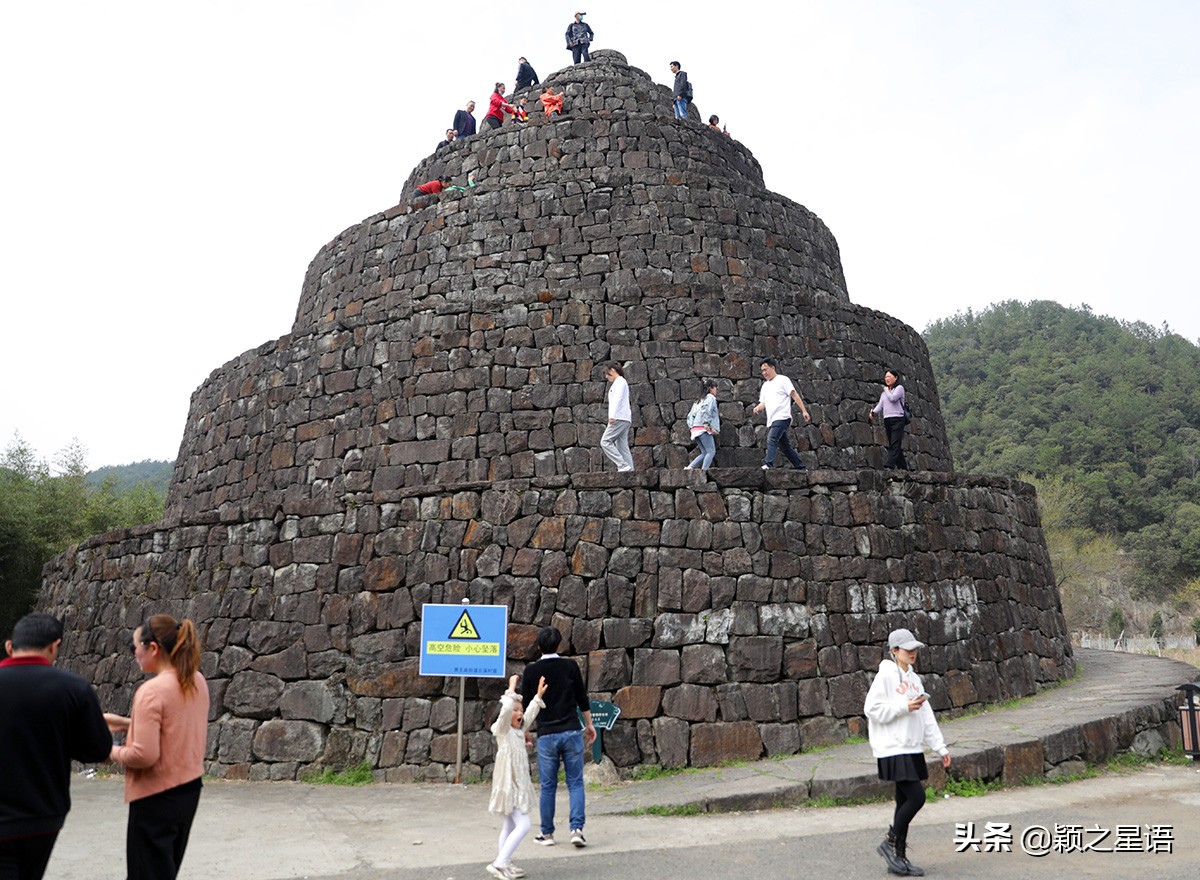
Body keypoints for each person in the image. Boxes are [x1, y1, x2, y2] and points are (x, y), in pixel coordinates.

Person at [0, 614, 111, 880]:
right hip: (43, 816)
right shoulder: (75, 689)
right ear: (55, 646)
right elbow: (98, 750)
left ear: (9, 647)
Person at [106, 614, 210, 880]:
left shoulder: (151, 691)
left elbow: (144, 755)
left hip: (155, 797)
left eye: (135, 647)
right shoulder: (196, 680)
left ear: (152, 648)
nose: (134, 653)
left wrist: (108, 751)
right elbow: (177, 726)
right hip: (188, 791)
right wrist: (127, 724)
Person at [864, 628, 951, 877]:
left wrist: (940, 747)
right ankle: (890, 842)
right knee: (917, 798)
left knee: (903, 801)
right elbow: (871, 709)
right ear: (894, 651)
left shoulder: (914, 679)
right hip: (893, 748)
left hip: (911, 747)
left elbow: (926, 716)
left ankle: (899, 857)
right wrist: (903, 707)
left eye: (915, 649)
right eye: (907, 649)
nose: (913, 653)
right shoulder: (886, 675)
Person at [521, 627, 595, 849]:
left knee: (548, 786)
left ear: (538, 646)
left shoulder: (531, 671)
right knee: (575, 783)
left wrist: (525, 731)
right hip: (571, 731)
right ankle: (576, 830)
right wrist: (589, 724)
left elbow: (526, 705)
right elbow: (582, 697)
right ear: (559, 645)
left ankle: (547, 833)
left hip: (546, 734)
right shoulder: (570, 666)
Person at [486, 673, 546, 879]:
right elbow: (505, 711)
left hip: (517, 785)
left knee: (509, 825)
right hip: (508, 787)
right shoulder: (502, 730)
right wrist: (511, 688)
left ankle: (504, 862)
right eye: (516, 710)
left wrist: (537, 697)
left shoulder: (518, 732)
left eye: (520, 710)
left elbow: (529, 716)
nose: (520, 713)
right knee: (524, 825)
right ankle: (500, 863)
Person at [752, 358, 811, 469]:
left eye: (766, 369)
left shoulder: (783, 380)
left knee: (772, 438)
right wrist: (758, 408)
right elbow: (764, 402)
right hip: (772, 419)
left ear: (773, 368)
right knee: (785, 447)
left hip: (782, 417)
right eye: (762, 371)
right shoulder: (765, 386)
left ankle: (768, 463)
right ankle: (801, 467)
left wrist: (804, 411)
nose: (764, 373)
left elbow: (794, 395)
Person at [869, 368, 908, 471]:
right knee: (893, 443)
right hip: (887, 419)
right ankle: (903, 466)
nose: (887, 379)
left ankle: (889, 465)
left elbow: (893, 398)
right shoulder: (884, 394)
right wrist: (873, 412)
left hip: (898, 419)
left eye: (889, 377)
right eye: (886, 377)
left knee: (895, 443)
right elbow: (880, 405)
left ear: (896, 378)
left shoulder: (899, 388)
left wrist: (886, 391)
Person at [600, 362, 634, 472]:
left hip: (618, 418)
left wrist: (612, 416)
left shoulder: (619, 382)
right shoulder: (621, 382)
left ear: (612, 371)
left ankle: (622, 465)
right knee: (622, 447)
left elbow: (617, 399)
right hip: (624, 418)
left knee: (605, 442)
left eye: (607, 373)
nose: (606, 376)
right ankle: (630, 471)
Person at [684, 378, 720, 470]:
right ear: (711, 388)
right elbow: (707, 410)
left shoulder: (699, 400)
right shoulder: (710, 398)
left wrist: (691, 426)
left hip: (695, 429)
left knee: (704, 452)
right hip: (703, 428)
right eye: (716, 388)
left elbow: (690, 415)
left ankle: (690, 467)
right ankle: (704, 471)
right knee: (711, 451)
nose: (716, 391)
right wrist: (706, 424)